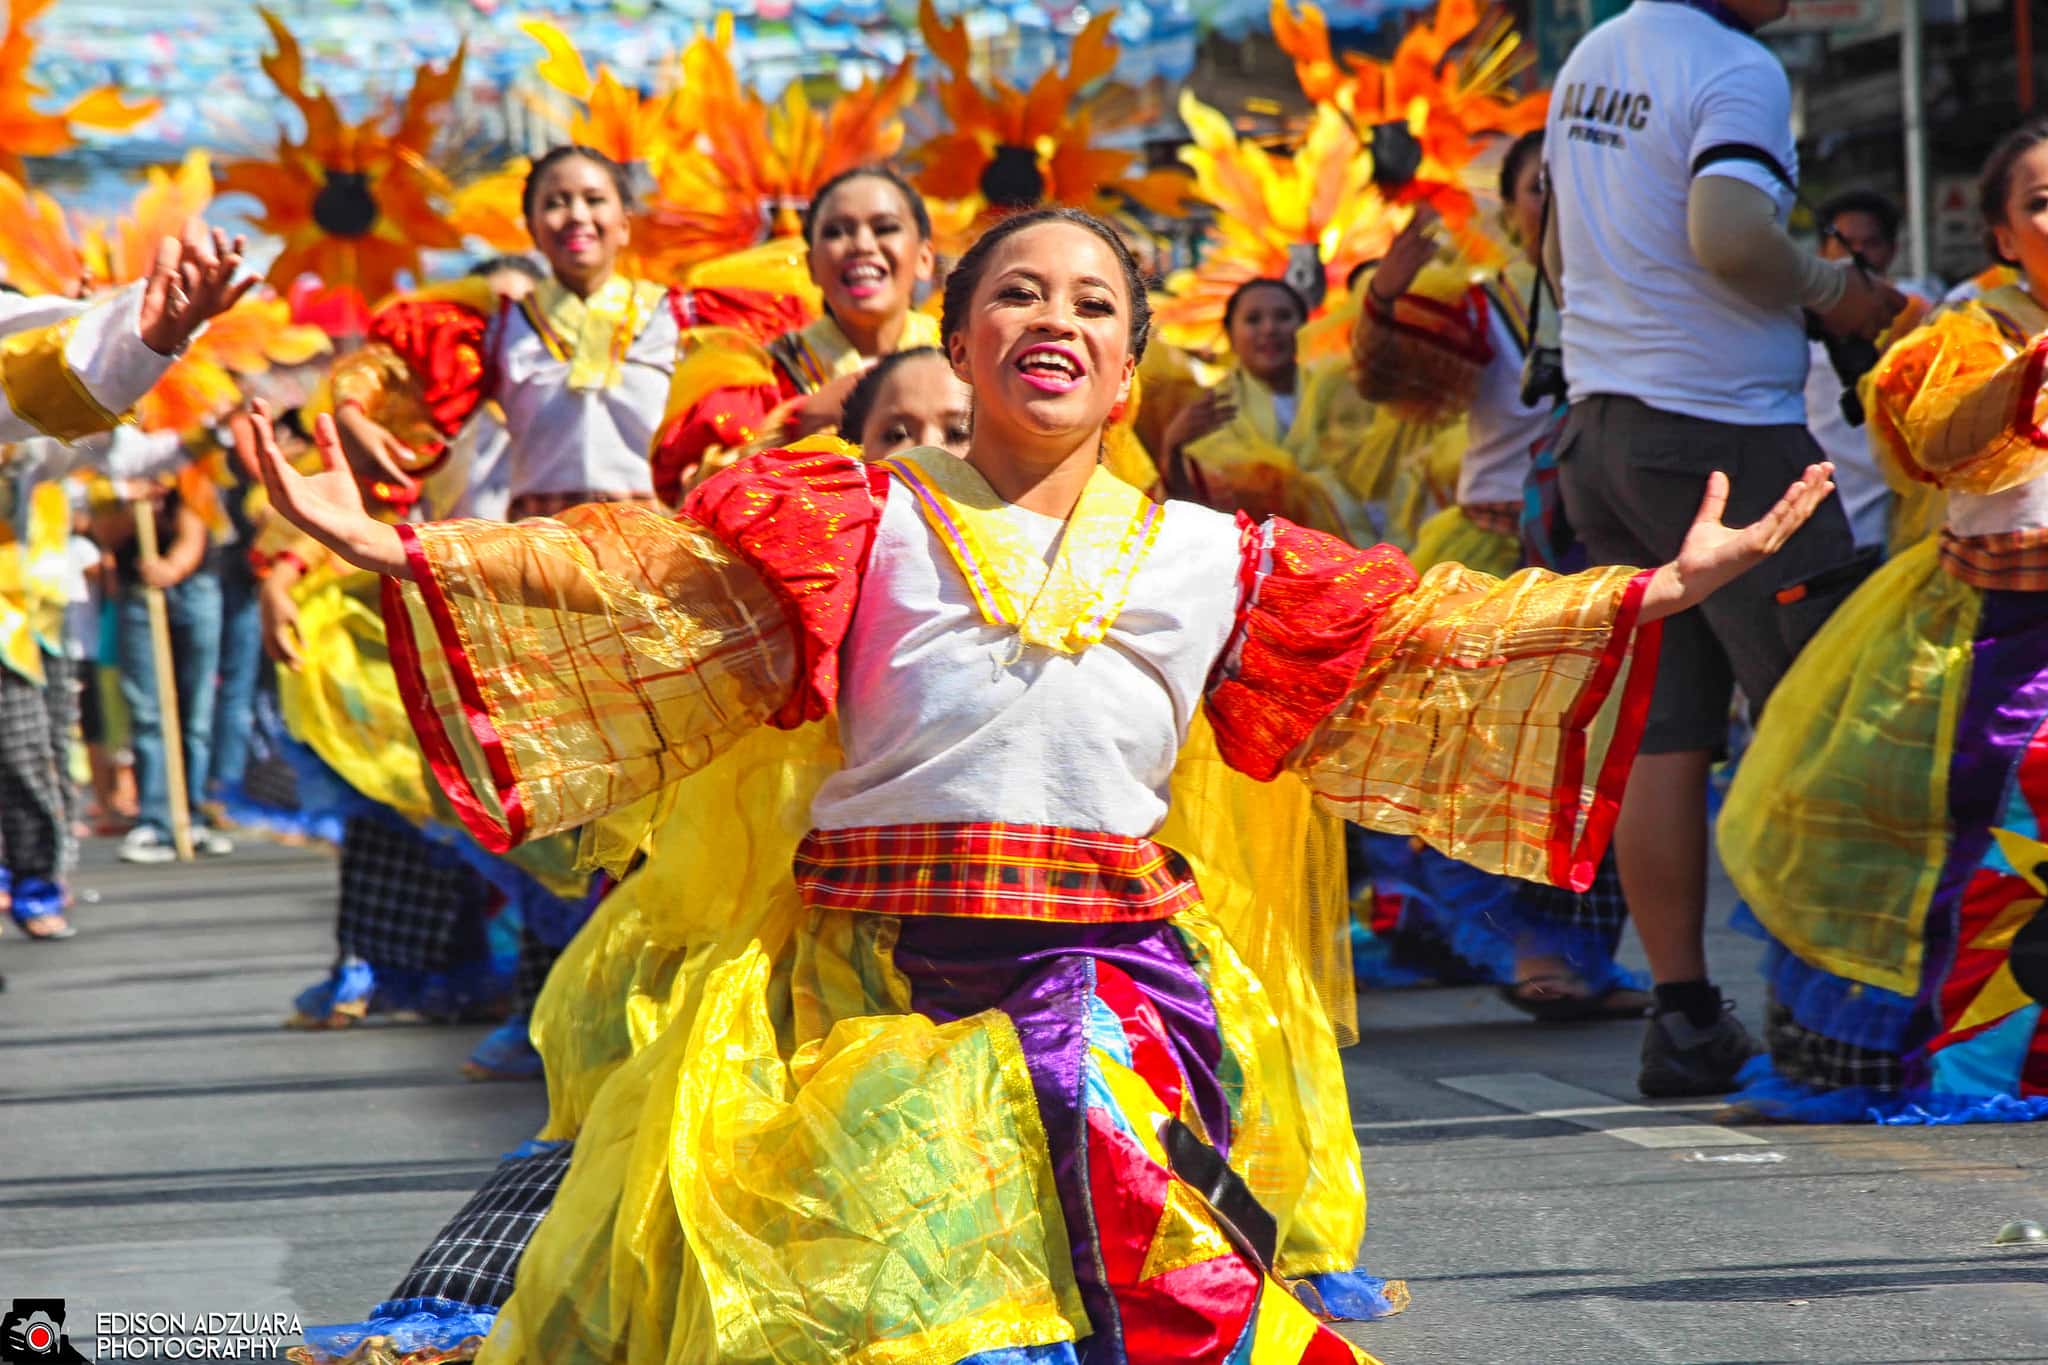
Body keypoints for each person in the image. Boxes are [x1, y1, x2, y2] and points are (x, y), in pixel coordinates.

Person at [263, 199, 1836, 1364]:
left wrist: (1654, 591)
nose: (1054, 317)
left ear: (1132, 365)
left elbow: (1429, 633)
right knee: (869, 1289)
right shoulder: (854, 521)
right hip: (865, 981)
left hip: (1113, 978)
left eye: (1093, 300)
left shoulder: (1212, 556)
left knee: (1105, 1208)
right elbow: (634, 582)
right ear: (960, 343)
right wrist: (390, 546)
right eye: (1017, 291)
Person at [1544, 0, 1907, 1096]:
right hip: (1727, 437)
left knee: (1666, 738)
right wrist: (1836, 292)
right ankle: (1831, 1020)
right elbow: (1730, 233)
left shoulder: (1593, 56)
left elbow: (1555, 251)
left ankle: (1686, 1016)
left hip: (1603, 434)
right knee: (1818, 716)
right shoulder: (1732, 65)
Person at [1717, 119, 2048, 1122]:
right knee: (1910, 825)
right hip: (1994, 637)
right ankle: (1950, 1060)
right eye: (2039, 202)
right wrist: (2028, 373)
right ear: (2001, 236)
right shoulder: (1972, 330)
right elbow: (1939, 438)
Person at [1347, 130, 1646, 1018]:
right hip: (1494, 560)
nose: (1553, 199)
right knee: (1482, 760)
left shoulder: (1640, 292)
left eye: (1568, 181)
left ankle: (1585, 957)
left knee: (1598, 764)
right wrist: (1384, 297)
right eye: (1535, 187)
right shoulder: (1488, 306)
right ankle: (1526, 953)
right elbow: (1390, 376)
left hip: (1601, 556)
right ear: (1512, 208)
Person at [327, 147, 678, 523]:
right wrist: (352, 412)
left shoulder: (681, 317)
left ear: (625, 223)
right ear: (532, 228)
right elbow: (391, 373)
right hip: (543, 544)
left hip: (654, 543)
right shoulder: (497, 329)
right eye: (555, 203)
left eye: (594, 200)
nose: (577, 215)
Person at [649, 164, 941, 503]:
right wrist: (799, 422)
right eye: (836, 232)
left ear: (924, 257)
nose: (862, 245)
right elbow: (700, 496)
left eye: (885, 228)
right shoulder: (765, 378)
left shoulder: (965, 361)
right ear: (811, 266)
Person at [1156, 278, 1382, 543]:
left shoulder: (1338, 392)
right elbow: (1194, 512)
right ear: (1230, 334)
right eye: (1253, 320)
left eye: (1283, 317)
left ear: (1304, 327)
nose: (1269, 329)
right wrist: (1172, 446)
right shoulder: (1211, 410)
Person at [101, 456, 234, 865]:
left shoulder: (190, 463)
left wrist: (171, 567)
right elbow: (104, 532)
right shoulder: (111, 471)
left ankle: (191, 815)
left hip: (195, 590)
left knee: (195, 713)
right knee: (148, 712)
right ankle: (156, 820)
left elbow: (195, 532)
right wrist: (133, 505)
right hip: (138, 593)